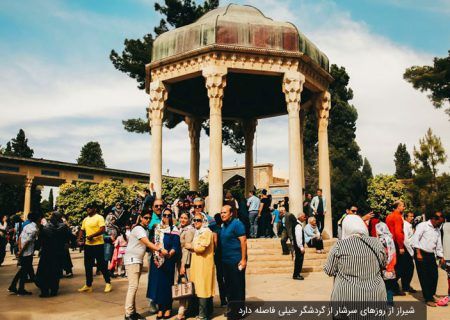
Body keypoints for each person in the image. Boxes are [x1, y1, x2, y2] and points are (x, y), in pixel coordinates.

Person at [324, 215, 387, 314]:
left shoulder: (339, 246)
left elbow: (329, 270)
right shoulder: (377, 243)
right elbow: (384, 263)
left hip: (346, 299)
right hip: (375, 298)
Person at [124, 209, 165, 320]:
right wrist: (159, 249)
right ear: (141, 218)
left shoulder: (143, 229)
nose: (148, 220)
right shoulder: (138, 229)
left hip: (137, 260)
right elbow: (147, 243)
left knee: (134, 286)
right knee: (133, 287)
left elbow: (145, 246)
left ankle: (132, 312)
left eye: (149, 218)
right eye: (145, 218)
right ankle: (128, 314)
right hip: (133, 260)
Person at [147, 208, 181, 319]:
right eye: (165, 215)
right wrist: (155, 251)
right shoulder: (156, 228)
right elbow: (151, 242)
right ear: (162, 216)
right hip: (156, 261)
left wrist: (170, 253)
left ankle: (168, 308)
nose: (166, 217)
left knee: (167, 285)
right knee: (157, 285)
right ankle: (160, 308)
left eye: (168, 215)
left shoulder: (174, 229)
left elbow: (175, 245)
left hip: (168, 261)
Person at [412, 211, 445, 307]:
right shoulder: (423, 226)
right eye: (439, 222)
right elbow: (415, 239)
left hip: (431, 254)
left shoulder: (437, 229)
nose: (440, 224)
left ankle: (432, 294)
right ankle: (428, 298)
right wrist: (418, 252)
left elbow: (438, 244)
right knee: (424, 277)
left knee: (434, 275)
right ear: (434, 219)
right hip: (421, 254)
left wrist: (441, 256)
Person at [219, 205, 247, 319]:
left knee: (237, 287)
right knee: (229, 287)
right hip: (226, 262)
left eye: (225, 212)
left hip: (236, 261)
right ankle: (232, 310)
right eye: (221, 212)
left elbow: (243, 241)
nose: (222, 214)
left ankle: (239, 312)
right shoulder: (224, 226)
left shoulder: (237, 224)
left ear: (231, 213)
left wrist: (243, 259)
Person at [78, 203, 112, 293]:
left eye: (90, 207)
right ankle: (88, 285)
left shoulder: (99, 217)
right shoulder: (85, 219)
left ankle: (108, 283)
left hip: (98, 245)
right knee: (88, 265)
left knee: (102, 265)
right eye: (87, 207)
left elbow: (102, 229)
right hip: (88, 245)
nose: (88, 209)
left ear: (95, 209)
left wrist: (92, 236)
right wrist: (79, 239)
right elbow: (82, 230)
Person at [187, 212, 216, 320]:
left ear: (203, 221)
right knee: (198, 288)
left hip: (204, 265)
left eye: (198, 220)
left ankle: (203, 315)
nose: (195, 222)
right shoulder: (198, 232)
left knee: (204, 288)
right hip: (197, 265)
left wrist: (190, 246)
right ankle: (205, 312)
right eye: (194, 220)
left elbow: (201, 248)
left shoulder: (207, 232)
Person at [35, 211, 71, 297]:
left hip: (47, 253)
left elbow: (40, 242)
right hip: (58, 252)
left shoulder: (45, 228)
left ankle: (45, 291)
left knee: (44, 272)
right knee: (56, 272)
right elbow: (69, 237)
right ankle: (54, 290)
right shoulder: (64, 227)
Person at [8, 212, 40, 295]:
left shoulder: (26, 226)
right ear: (37, 219)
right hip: (27, 252)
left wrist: (19, 249)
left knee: (23, 270)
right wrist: (21, 251)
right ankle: (18, 288)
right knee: (24, 270)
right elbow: (27, 242)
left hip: (23, 251)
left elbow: (20, 237)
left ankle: (15, 287)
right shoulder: (34, 230)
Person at [176, 212, 195, 320]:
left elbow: (187, 249)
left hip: (185, 261)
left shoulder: (189, 230)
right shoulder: (179, 228)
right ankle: (185, 310)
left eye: (185, 218)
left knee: (185, 285)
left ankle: (181, 313)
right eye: (181, 217)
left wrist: (183, 265)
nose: (183, 219)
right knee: (183, 286)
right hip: (179, 261)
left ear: (189, 219)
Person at [374, 219, 397, 305]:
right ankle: (390, 301)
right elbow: (393, 253)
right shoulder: (390, 238)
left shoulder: (379, 240)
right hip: (391, 265)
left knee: (380, 285)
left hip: (382, 266)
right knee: (389, 285)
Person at [386, 200, 406, 295]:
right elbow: (398, 232)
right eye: (402, 206)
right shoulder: (398, 217)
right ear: (398, 207)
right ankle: (393, 287)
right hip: (396, 244)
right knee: (401, 268)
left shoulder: (389, 216)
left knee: (394, 266)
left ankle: (393, 287)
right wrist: (401, 246)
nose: (404, 208)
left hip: (390, 244)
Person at [401, 212, 417, 293]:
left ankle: (406, 286)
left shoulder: (409, 225)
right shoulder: (405, 225)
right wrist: (411, 252)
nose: (412, 217)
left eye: (413, 216)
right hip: (406, 249)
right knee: (408, 268)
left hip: (409, 248)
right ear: (406, 217)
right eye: (410, 216)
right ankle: (405, 286)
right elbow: (405, 240)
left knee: (407, 269)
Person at [293, 213, 307, 280]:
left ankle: (297, 274)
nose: (305, 218)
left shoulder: (297, 225)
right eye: (304, 217)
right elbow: (298, 237)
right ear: (300, 217)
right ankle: (296, 274)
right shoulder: (298, 226)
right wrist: (301, 247)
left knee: (298, 260)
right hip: (298, 246)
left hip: (298, 246)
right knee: (299, 260)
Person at [442, 216, 450, 298]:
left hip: (447, 255)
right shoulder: (444, 226)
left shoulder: (443, 226)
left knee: (449, 276)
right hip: (447, 255)